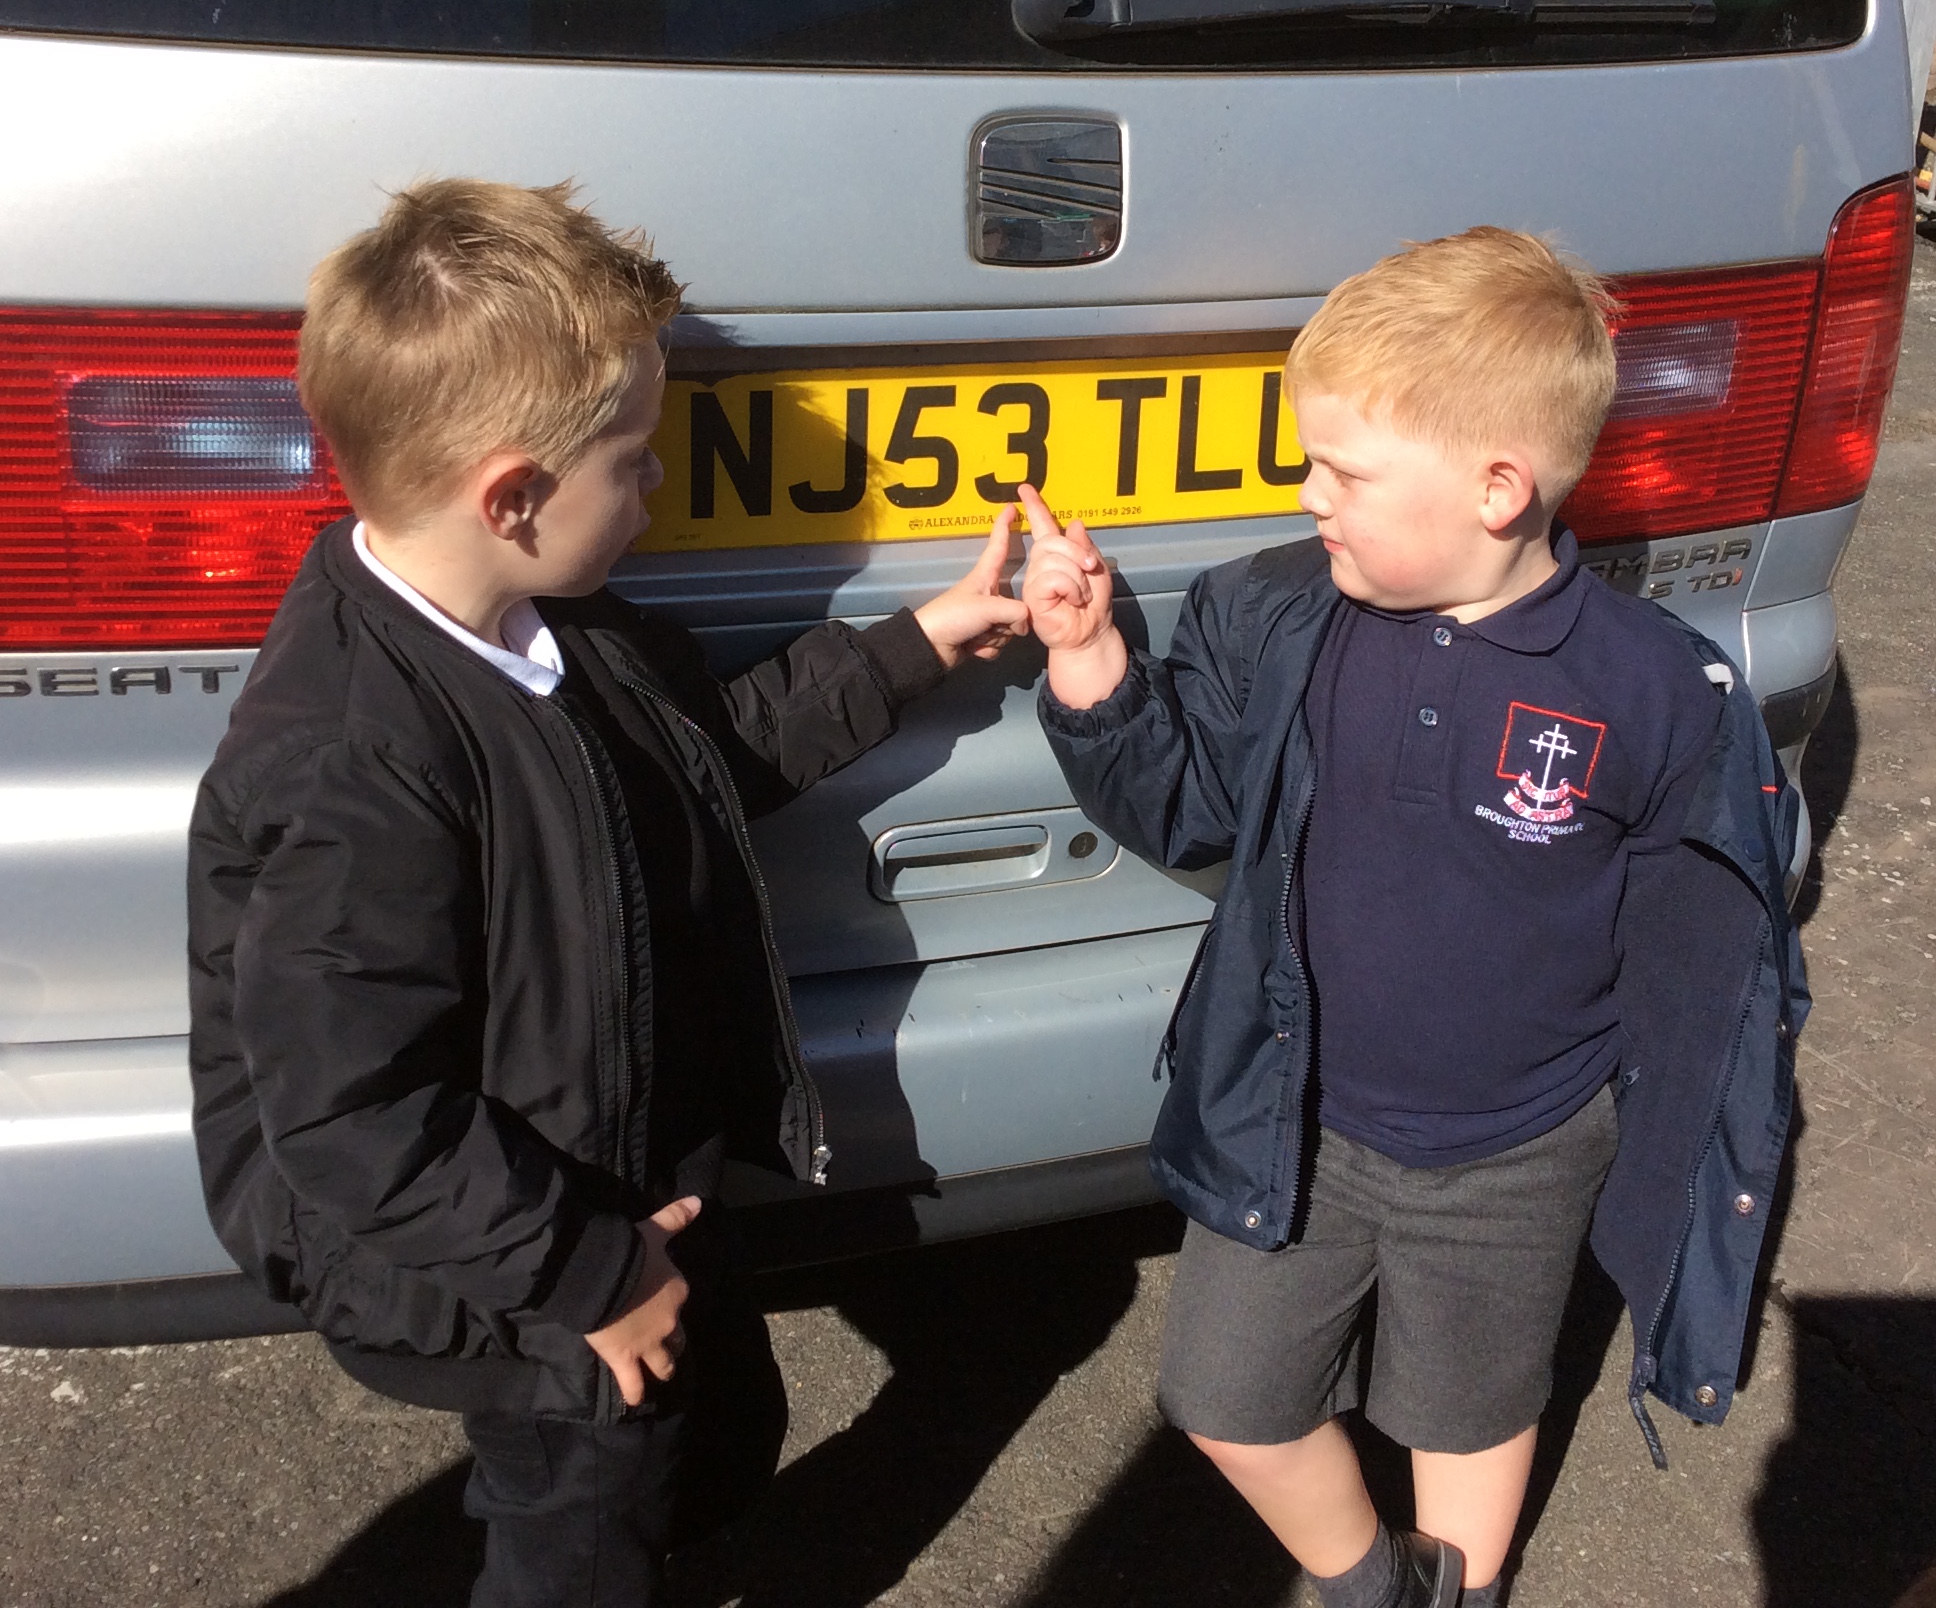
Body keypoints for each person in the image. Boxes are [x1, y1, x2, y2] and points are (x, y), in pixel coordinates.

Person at [187, 179, 1031, 1607]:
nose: (654, 497)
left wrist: (920, 643)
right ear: (513, 496)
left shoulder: (560, 626)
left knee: (709, 1443)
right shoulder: (354, 762)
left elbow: (711, 754)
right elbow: (349, 1109)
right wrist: (588, 1274)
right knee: (587, 1522)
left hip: (620, 1182)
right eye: (634, 464)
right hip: (514, 1263)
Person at [1017, 228, 1805, 1608]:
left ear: (1497, 488)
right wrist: (1090, 661)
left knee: (1469, 1413)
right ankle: (1373, 1583)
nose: (1307, 494)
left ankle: (1462, 1594)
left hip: (1520, 1150)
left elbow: (1704, 963)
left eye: (1344, 471)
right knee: (1224, 1398)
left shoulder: (1655, 690)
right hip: (1297, 1120)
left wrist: (1676, 1165)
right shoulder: (1284, 617)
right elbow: (1194, 807)